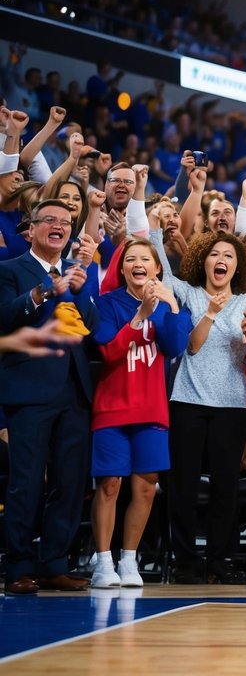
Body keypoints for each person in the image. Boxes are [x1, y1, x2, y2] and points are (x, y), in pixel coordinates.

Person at [150, 196, 246, 584]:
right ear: (204, 260)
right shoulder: (189, 293)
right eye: (214, 253)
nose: (221, 259)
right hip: (186, 401)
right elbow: (191, 344)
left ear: (238, 264)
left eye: (229, 255)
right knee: (181, 486)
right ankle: (184, 561)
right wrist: (152, 226)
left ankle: (220, 561)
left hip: (233, 405)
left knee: (225, 489)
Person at [0, 199, 99, 594]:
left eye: (66, 222)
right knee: (26, 481)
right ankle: (19, 566)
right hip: (30, 392)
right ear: (32, 229)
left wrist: (81, 290)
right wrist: (43, 292)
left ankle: (54, 563)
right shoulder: (10, 270)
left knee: (70, 482)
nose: (59, 226)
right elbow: (4, 317)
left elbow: (91, 329)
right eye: (50, 220)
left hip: (74, 392)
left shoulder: (77, 273)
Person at [88, 238, 190, 587]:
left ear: (157, 268)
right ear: (122, 269)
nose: (137, 264)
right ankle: (103, 562)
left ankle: (129, 561)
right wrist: (140, 316)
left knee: (146, 489)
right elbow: (109, 352)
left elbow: (175, 346)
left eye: (144, 258)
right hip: (113, 407)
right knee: (110, 485)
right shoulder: (106, 304)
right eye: (130, 259)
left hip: (152, 408)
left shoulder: (169, 306)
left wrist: (172, 305)